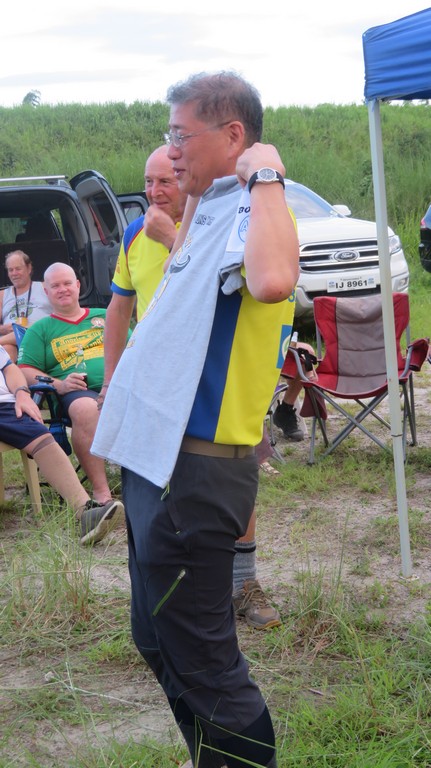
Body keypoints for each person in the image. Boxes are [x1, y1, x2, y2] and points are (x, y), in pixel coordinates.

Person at [92, 71, 299, 768]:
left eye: (181, 135)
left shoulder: (254, 204)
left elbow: (273, 281)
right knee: (156, 637)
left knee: (206, 663)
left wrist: (266, 173)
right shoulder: (207, 209)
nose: (171, 150)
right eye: (168, 134)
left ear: (233, 135)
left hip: (197, 470)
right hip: (154, 459)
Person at [102, 143, 282, 631]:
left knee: (234, 473)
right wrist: (112, 380)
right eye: (149, 182)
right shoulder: (135, 233)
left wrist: (172, 237)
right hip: (158, 383)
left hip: (218, 380)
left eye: (166, 179)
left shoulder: (226, 220)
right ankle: (171, 594)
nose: (156, 191)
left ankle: (243, 582)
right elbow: (119, 308)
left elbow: (258, 282)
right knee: (158, 498)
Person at [17, 263, 123, 538]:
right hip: (79, 392)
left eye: (67, 283)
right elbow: (25, 369)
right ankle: (102, 495)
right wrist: (59, 385)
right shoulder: (40, 329)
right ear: (46, 292)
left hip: (122, 385)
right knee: (86, 410)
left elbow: (134, 347)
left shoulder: (105, 315)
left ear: (78, 285)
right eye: (55, 286)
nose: (62, 289)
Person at [0, 345, 123, 545]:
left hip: (6, 404)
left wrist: (22, 393)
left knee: (41, 437)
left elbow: (8, 367)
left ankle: (86, 513)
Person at [0, 250, 52, 362]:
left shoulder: (45, 287)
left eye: (18, 269)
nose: (14, 273)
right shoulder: (2, 295)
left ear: (29, 268)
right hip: (10, 341)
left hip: (41, 336)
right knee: (7, 348)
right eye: (10, 270)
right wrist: (4, 329)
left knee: (26, 331)